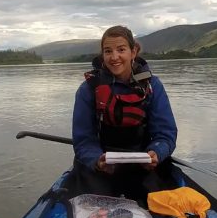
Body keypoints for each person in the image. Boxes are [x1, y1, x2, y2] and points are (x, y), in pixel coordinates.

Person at [71, 25, 178, 199]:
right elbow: (83, 140)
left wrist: (157, 152)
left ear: (133, 52)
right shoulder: (88, 89)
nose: (114, 57)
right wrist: (96, 160)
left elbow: (166, 133)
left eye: (121, 50)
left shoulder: (153, 86)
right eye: (108, 51)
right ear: (102, 55)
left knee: (160, 207)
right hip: (102, 168)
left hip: (143, 166)